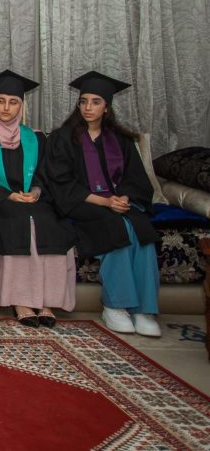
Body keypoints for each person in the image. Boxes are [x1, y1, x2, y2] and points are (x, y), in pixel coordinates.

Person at [45, 72, 160, 337]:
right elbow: (61, 182)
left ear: (107, 107)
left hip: (117, 201)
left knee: (141, 228)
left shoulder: (121, 140)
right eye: (83, 101)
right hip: (83, 202)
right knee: (115, 226)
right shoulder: (63, 138)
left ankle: (144, 309)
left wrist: (124, 198)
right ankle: (115, 306)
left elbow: (136, 179)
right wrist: (105, 201)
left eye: (95, 102)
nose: (88, 107)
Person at [0, 70, 77, 327]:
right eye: (0, 101)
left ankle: (46, 300)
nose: (6, 108)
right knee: (17, 220)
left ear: (21, 106)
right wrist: (7, 195)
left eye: (13, 102)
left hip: (34, 200)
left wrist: (37, 192)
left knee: (48, 221)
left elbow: (46, 174)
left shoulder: (36, 138)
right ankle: (20, 300)